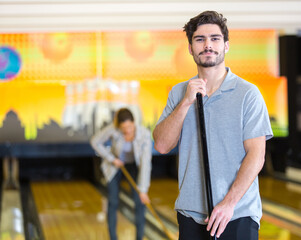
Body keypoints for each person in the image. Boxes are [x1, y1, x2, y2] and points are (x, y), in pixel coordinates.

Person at [153, 11, 273, 240]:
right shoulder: (179, 93)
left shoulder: (248, 94)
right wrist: (186, 103)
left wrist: (228, 203)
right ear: (190, 48)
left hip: (237, 214)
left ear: (226, 45)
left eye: (215, 38)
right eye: (200, 39)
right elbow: (161, 145)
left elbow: (256, 155)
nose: (208, 45)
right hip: (191, 215)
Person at [91, 108, 152, 240]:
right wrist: (112, 159)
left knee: (139, 202)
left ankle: (139, 238)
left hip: (135, 166)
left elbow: (146, 163)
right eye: (123, 127)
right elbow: (95, 141)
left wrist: (143, 189)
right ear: (118, 125)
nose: (127, 130)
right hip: (116, 166)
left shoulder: (144, 134)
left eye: (129, 126)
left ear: (134, 122)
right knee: (113, 201)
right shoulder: (113, 129)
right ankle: (113, 237)